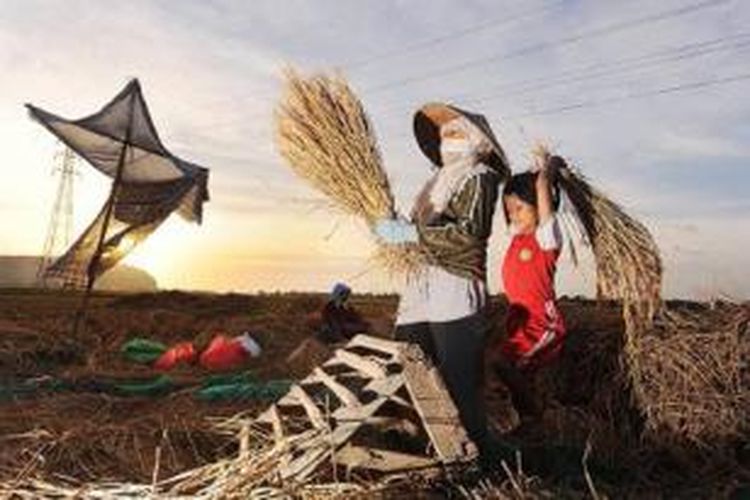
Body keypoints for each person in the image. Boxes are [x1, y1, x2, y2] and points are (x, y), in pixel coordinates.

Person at [373, 103, 509, 456]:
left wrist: (411, 234)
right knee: (409, 365)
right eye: (444, 133)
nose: (447, 138)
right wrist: (391, 223)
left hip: (455, 283)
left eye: (456, 131)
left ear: (477, 139)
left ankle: (475, 458)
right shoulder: (433, 183)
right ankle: (420, 448)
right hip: (420, 283)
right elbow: (417, 229)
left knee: (458, 380)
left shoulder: (480, 175)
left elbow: (470, 234)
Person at [495, 150, 568, 420]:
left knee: (508, 367)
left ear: (539, 206)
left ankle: (532, 419)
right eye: (509, 210)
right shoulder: (517, 236)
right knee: (505, 368)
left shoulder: (546, 239)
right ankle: (527, 417)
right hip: (518, 321)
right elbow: (522, 193)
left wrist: (549, 169)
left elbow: (541, 189)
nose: (513, 215)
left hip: (541, 323)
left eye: (519, 208)